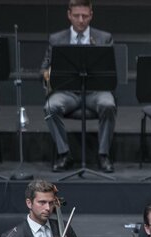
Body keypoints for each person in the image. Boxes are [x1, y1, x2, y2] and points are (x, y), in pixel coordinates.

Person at [41, 0, 116, 173]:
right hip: (67, 91)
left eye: (84, 16)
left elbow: (110, 69)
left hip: (95, 91)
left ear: (91, 15)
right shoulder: (56, 39)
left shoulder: (104, 38)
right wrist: (47, 73)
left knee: (108, 104)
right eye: (76, 16)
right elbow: (43, 68)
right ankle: (64, 154)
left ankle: (103, 154)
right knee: (50, 107)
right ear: (69, 15)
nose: (81, 20)